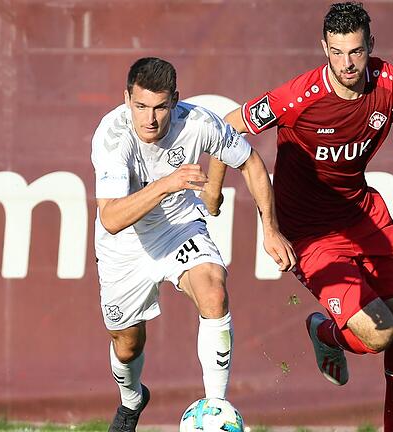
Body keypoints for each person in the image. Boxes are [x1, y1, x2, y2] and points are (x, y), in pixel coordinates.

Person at [204, 3, 393, 431]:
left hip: (361, 211)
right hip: (309, 232)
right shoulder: (298, 97)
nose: (347, 63)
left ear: (370, 45)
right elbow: (223, 127)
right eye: (337, 52)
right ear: (324, 47)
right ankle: (326, 332)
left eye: (355, 51)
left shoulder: (391, 82)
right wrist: (213, 192)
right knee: (379, 335)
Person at [90, 57, 296, 432]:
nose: (149, 119)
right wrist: (166, 183)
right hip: (125, 246)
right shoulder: (112, 136)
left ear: (175, 101)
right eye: (140, 106)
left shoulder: (198, 122)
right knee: (127, 345)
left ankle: (215, 411)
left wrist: (270, 229)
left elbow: (250, 162)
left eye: (160, 107)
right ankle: (132, 399)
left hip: (178, 227)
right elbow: (112, 219)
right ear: (126, 100)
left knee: (214, 290)